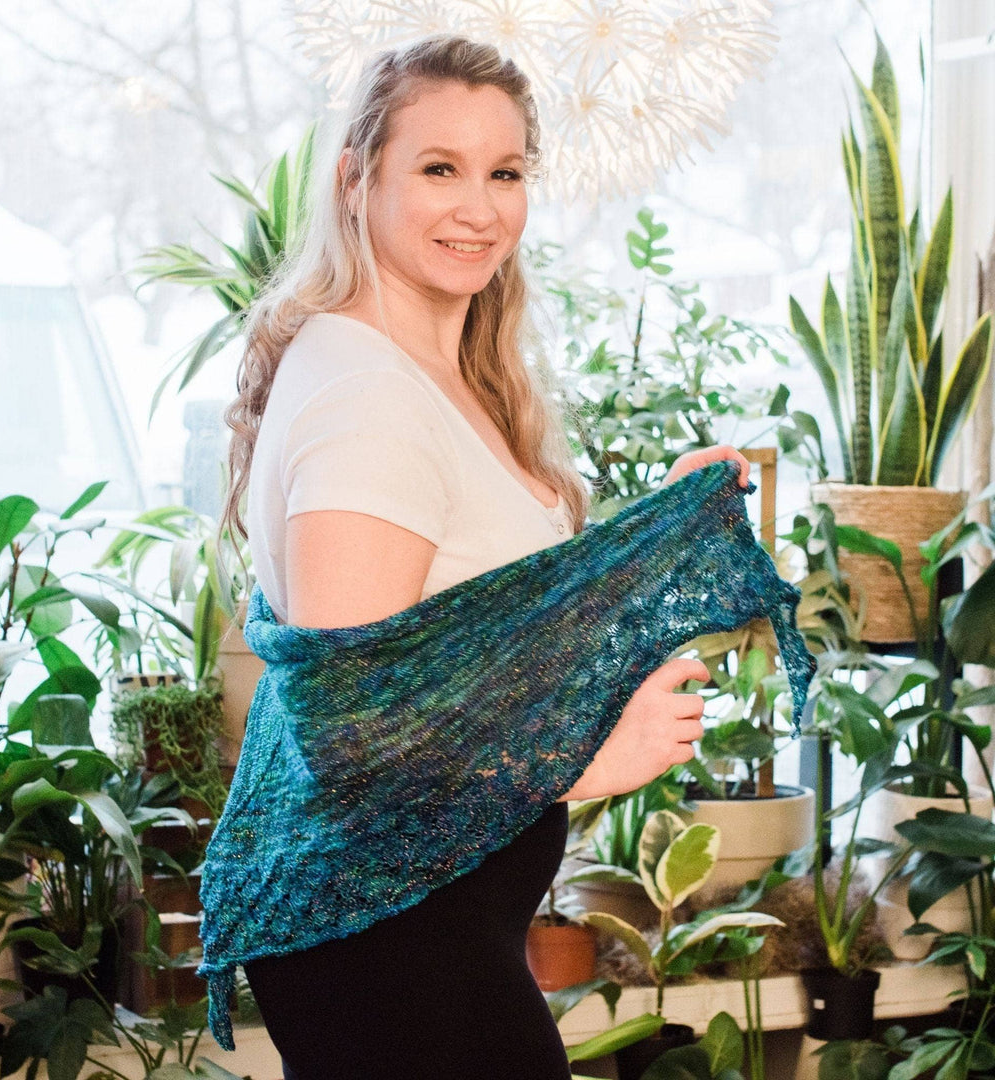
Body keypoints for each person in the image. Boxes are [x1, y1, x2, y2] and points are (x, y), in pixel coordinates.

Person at [216, 32, 751, 1080]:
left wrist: (657, 535)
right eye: (438, 168)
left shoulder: (427, 371)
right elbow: (356, 744)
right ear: (356, 180)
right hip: (397, 949)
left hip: (430, 932)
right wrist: (590, 760)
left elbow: (474, 624)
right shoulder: (366, 399)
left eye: (505, 172)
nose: (480, 208)